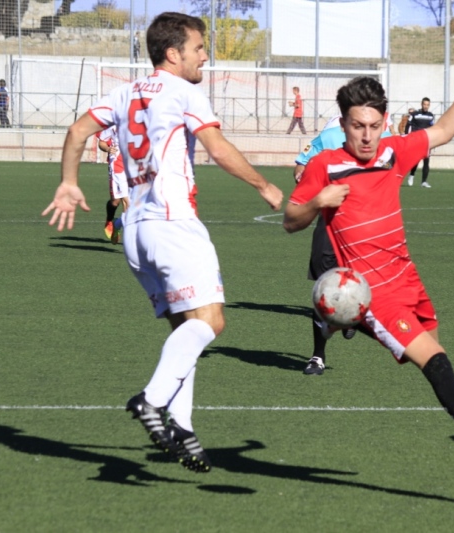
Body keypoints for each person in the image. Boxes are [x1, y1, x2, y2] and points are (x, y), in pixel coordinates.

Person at [42, 12, 283, 473]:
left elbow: (76, 132)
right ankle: (151, 400)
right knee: (211, 322)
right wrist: (263, 186)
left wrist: (69, 182)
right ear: (173, 53)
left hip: (135, 231)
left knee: (184, 331)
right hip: (172, 222)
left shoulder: (122, 91)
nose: (205, 57)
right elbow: (216, 147)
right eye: (198, 48)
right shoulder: (185, 92)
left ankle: (182, 426)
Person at [283, 50, 454, 468]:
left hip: (408, 280)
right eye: (357, 126)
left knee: (438, 356)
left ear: (385, 121)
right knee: (434, 361)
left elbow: (446, 129)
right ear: (342, 124)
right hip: (375, 297)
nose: (366, 136)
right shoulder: (325, 165)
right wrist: (318, 200)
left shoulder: (393, 153)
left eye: (374, 126)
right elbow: (290, 220)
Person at [294, 113, 393, 375]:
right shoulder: (328, 137)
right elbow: (302, 164)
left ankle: (353, 317)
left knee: (363, 280)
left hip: (368, 225)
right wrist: (304, 177)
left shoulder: (386, 139)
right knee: (324, 285)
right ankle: (317, 356)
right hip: (330, 223)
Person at [96, 125, 129, 244]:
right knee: (118, 201)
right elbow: (102, 142)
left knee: (135, 205)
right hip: (119, 166)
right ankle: (111, 220)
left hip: (138, 165)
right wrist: (108, 149)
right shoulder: (115, 122)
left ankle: (118, 224)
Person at [405, 98, 434, 187]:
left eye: (427, 105)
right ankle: (412, 175)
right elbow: (408, 125)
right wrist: (407, 136)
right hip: (416, 140)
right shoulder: (415, 114)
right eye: (424, 104)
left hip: (426, 140)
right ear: (421, 104)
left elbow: (432, 127)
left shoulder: (430, 115)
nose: (426, 106)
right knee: (416, 160)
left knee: (426, 161)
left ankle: (424, 182)